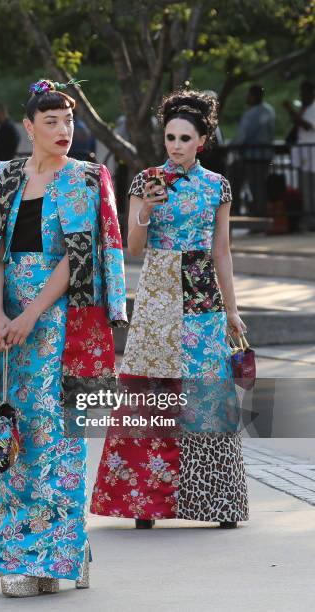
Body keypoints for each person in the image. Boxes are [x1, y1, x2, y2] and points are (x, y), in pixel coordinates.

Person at [0, 78, 127, 597]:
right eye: (51, 121)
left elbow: (78, 260)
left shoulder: (88, 178)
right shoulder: (3, 176)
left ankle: (58, 560)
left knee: (60, 440)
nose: (63, 130)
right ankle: (25, 559)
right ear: (28, 127)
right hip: (8, 326)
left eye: (69, 121)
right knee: (17, 439)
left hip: (63, 322)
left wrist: (28, 315)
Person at [91, 88, 249, 530]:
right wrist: (147, 212)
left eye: (184, 138)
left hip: (202, 296)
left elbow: (222, 252)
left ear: (202, 141)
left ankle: (219, 505)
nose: (175, 145)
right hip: (158, 294)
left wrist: (232, 310)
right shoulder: (146, 181)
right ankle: (145, 504)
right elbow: (133, 247)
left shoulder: (218, 186)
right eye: (170, 137)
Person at [229, 84, 275, 216]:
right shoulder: (269, 110)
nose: (247, 97)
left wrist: (231, 146)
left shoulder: (253, 113)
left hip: (253, 155)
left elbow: (243, 135)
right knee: (258, 185)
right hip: (263, 155)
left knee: (255, 186)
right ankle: (257, 212)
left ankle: (256, 214)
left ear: (254, 96)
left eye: (249, 95)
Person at [285, 80, 315, 224]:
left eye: (304, 92)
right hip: (304, 156)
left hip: (312, 154)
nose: (302, 95)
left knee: (311, 189)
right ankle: (308, 219)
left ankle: (310, 219)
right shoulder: (305, 108)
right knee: (305, 189)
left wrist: (290, 110)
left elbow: (307, 126)